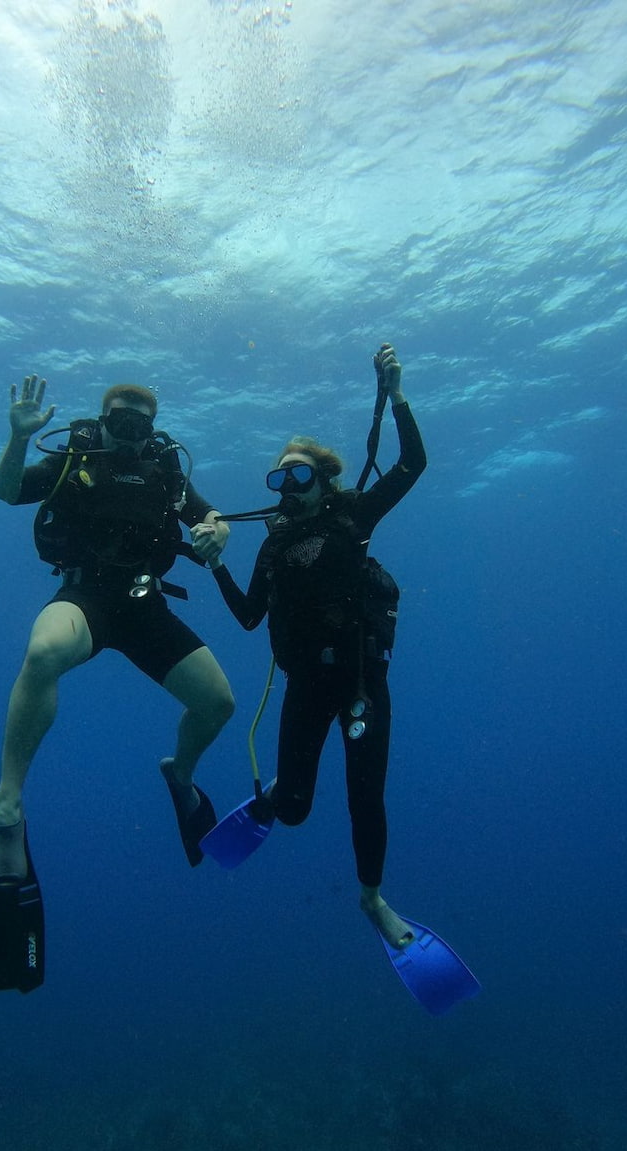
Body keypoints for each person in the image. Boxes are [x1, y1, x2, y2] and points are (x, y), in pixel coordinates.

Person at [0, 375, 234, 996]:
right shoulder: (73, 457)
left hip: (145, 607)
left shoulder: (167, 469)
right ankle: (9, 803)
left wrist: (216, 531)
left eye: (143, 422)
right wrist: (17, 438)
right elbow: (7, 490)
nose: (132, 431)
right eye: (122, 419)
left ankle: (182, 775)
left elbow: (210, 518)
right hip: (85, 594)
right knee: (43, 650)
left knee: (218, 703)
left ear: (155, 425)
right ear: (103, 417)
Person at [201, 344, 427, 950]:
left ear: (323, 480)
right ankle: (281, 792)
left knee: (364, 798)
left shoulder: (352, 516)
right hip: (304, 685)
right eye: (279, 476)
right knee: (294, 811)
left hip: (358, 681)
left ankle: (372, 898)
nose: (285, 485)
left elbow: (410, 464)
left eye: (298, 473)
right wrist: (218, 564)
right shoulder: (272, 547)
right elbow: (251, 618)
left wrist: (397, 394)